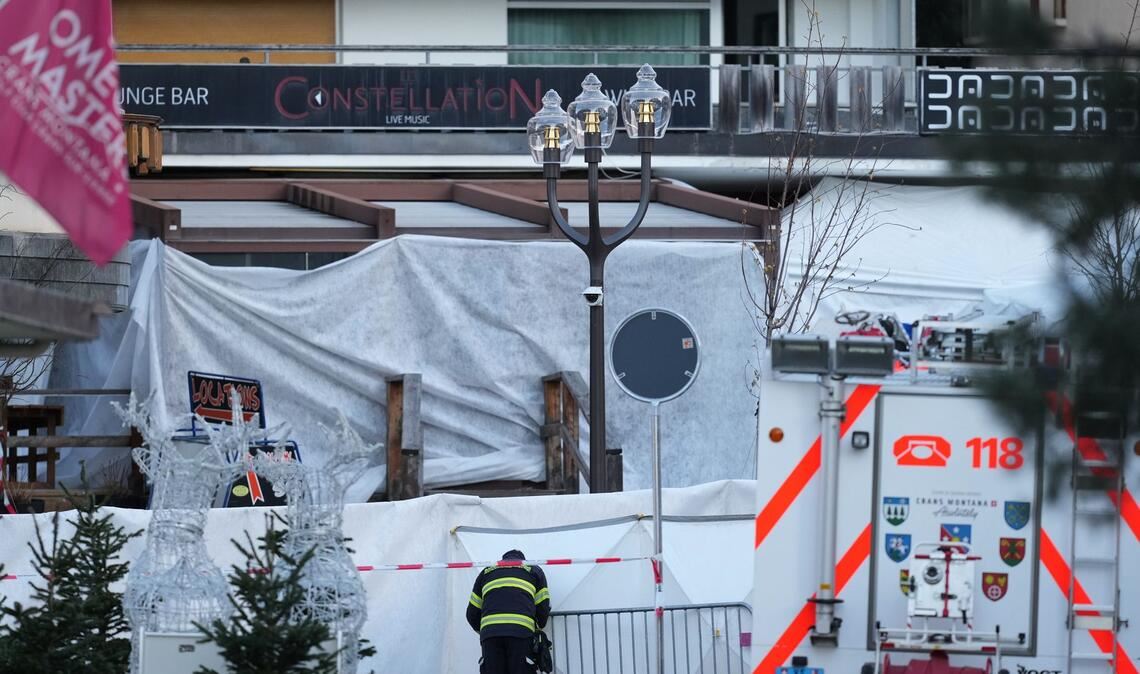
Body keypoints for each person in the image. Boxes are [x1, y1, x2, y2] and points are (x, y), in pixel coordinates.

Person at [466, 549, 550, 674]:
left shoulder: (486, 572)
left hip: (491, 635)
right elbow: (542, 608)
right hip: (521, 633)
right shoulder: (534, 570)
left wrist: (488, 630)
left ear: (503, 559)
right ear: (523, 560)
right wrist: (538, 626)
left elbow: (472, 613)